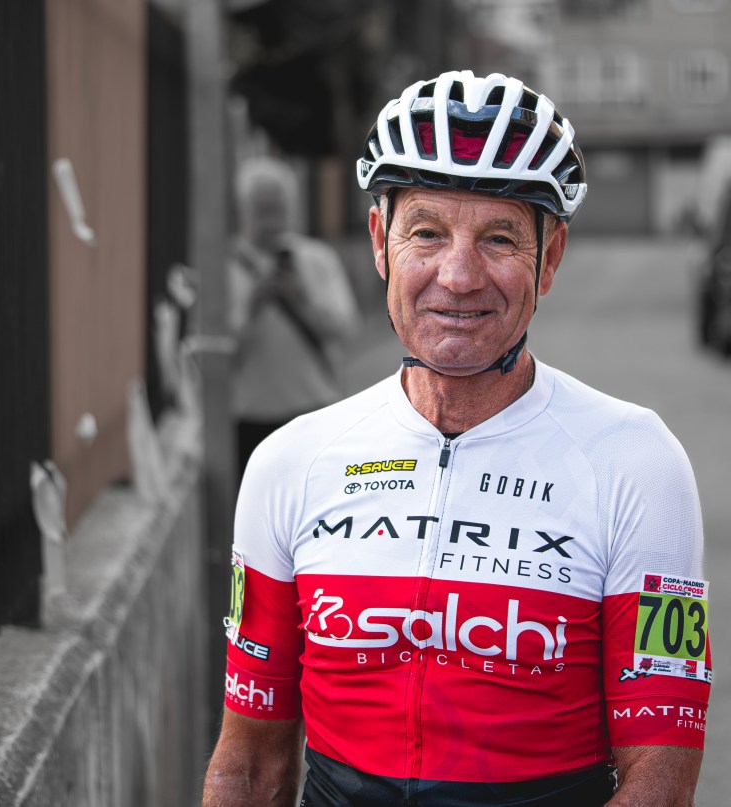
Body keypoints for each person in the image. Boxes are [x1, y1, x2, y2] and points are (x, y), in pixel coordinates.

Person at [203, 70, 710, 806]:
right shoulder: (290, 462)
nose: (460, 275)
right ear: (380, 242)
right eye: (427, 233)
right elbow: (250, 768)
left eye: (500, 238)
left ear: (550, 257)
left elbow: (660, 785)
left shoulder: (636, 462)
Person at [228, 156, 359, 479]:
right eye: (263, 208)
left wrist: (301, 302)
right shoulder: (225, 267)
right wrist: (252, 306)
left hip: (316, 408)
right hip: (250, 416)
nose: (272, 218)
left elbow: (347, 328)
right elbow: (217, 352)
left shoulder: (317, 259)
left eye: (278, 206)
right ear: (244, 209)